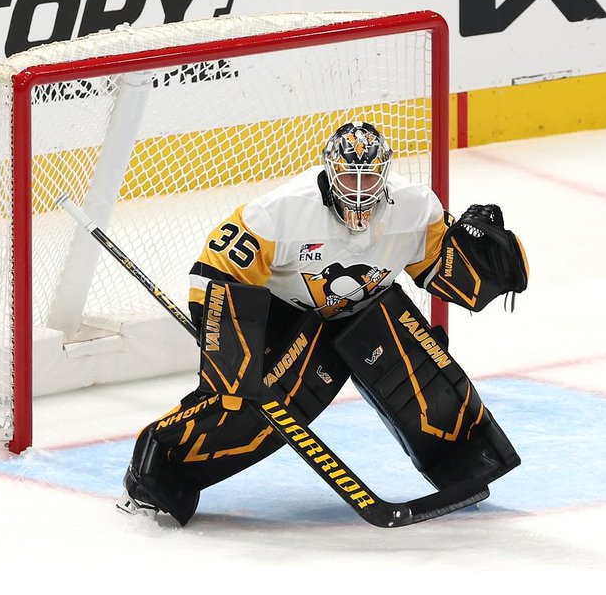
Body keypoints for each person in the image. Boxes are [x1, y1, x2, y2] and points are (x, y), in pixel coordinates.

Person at [119, 121, 530, 525]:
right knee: (242, 403)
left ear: (385, 174)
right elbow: (216, 268)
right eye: (348, 179)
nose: (358, 191)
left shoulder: (416, 208)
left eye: (368, 180)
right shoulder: (279, 213)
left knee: (424, 376)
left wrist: (481, 254)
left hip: (370, 315)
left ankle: (468, 463)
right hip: (288, 318)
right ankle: (156, 474)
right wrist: (230, 346)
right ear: (329, 173)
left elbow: (439, 269)